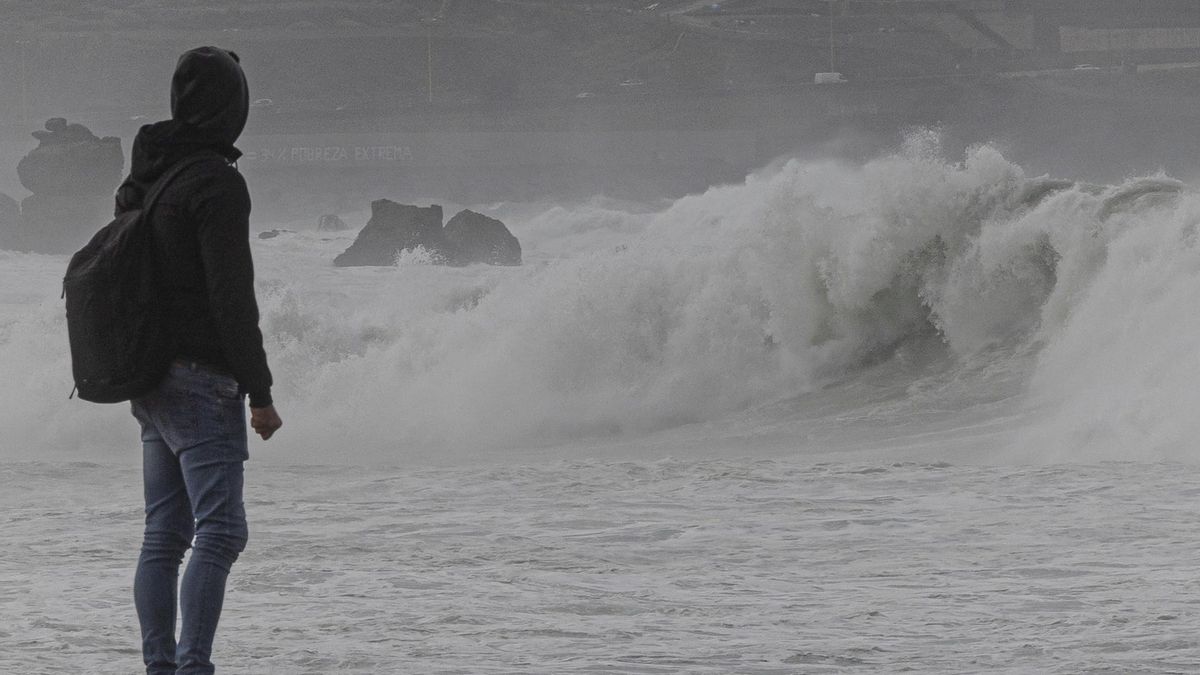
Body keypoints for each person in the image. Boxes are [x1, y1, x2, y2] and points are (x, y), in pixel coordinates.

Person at [114, 46, 282, 675]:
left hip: (151, 379)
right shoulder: (215, 181)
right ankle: (192, 668)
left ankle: (160, 667)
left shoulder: (149, 176)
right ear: (230, 108)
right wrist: (260, 392)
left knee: (164, 535)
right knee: (221, 531)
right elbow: (232, 299)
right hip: (200, 381)